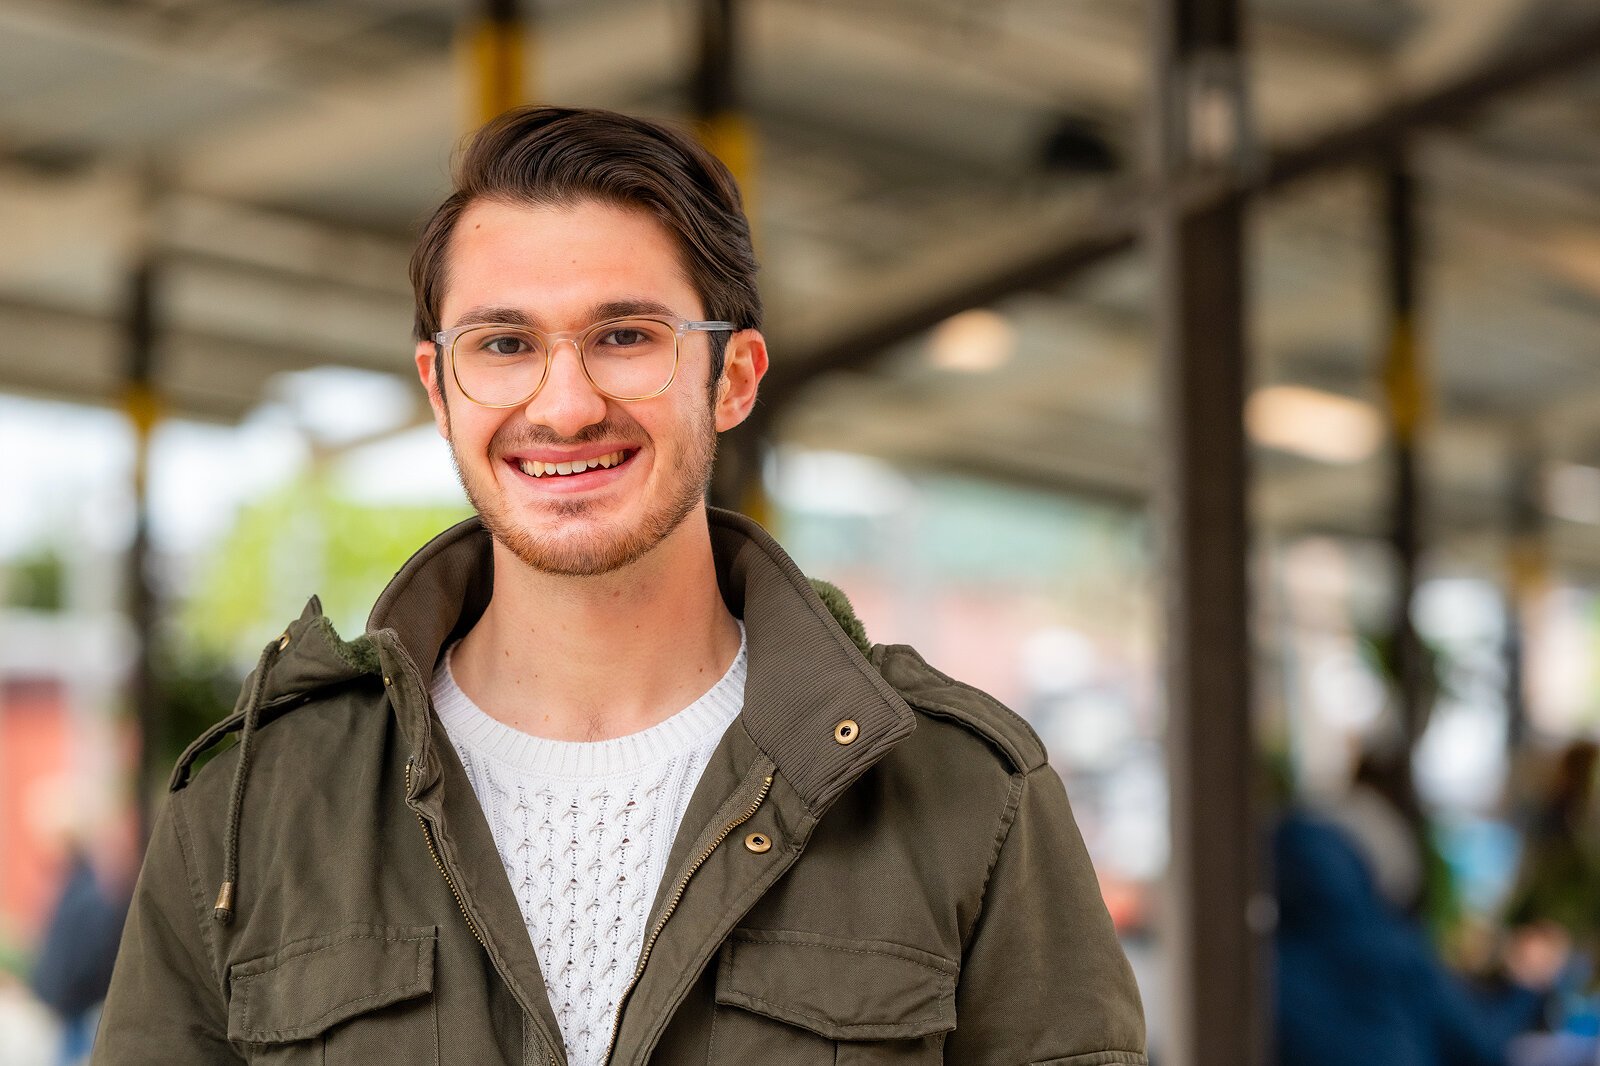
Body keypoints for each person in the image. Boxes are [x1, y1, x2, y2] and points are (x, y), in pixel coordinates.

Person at [92, 105, 1146, 1065]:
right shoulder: (252, 806)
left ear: (731, 377)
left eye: (626, 337)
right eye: (503, 343)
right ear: (438, 386)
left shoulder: (966, 793)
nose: (564, 404)